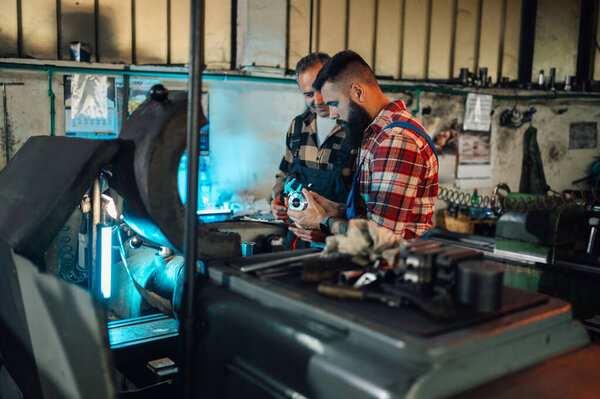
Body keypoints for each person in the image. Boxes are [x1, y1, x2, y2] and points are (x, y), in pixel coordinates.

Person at [287, 50, 438, 239]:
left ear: (358, 92)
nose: (332, 114)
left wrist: (323, 221)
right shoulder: (374, 134)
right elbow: (374, 212)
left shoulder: (396, 140)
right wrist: (336, 210)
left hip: (395, 263)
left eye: (334, 103)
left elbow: (381, 236)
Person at [270, 52, 357, 249]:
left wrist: (327, 229)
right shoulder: (299, 126)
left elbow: (363, 202)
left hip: (340, 244)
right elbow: (284, 173)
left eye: (319, 89)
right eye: (308, 94)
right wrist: (277, 200)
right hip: (298, 240)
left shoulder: (355, 130)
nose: (317, 100)